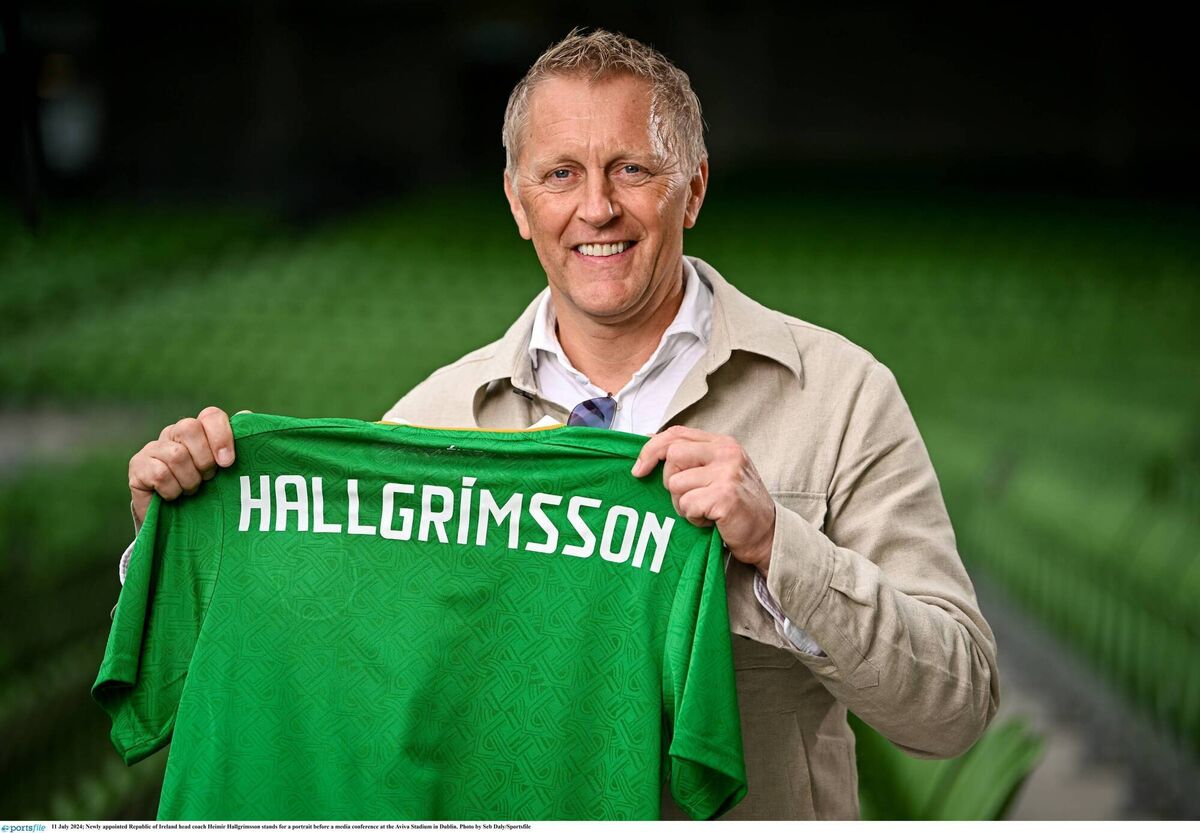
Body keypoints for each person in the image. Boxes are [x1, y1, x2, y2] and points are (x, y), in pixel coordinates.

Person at [120, 28, 999, 820]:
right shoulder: (430, 421)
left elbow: (956, 705)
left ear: (691, 189)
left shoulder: (841, 397)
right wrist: (183, 527)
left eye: (632, 169)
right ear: (517, 201)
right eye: (561, 174)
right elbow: (330, 677)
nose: (597, 209)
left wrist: (780, 548)